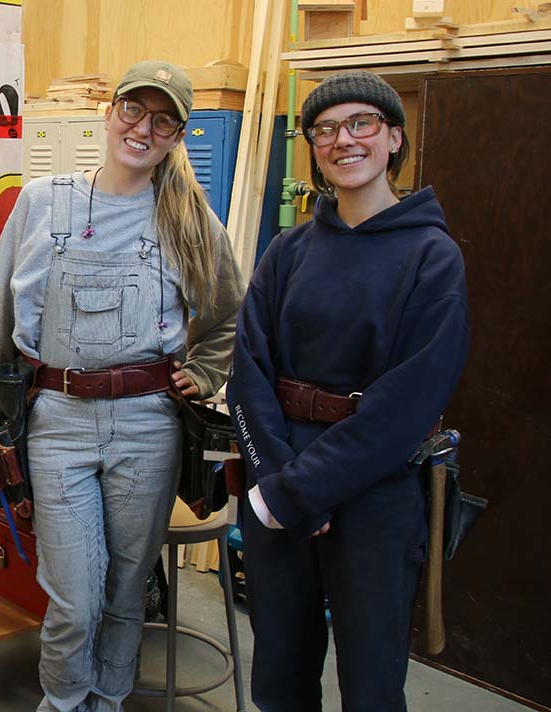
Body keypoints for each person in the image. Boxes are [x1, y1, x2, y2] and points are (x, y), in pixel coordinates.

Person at [0, 60, 243, 712]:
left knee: (128, 592)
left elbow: (231, 318)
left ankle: (107, 700)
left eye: (163, 121)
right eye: (134, 110)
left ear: (177, 135)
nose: (143, 129)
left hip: (150, 426)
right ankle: (65, 703)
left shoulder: (188, 218)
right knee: (76, 596)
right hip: (59, 424)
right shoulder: (45, 202)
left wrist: (209, 370)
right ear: (110, 112)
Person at [226, 71, 470, 711]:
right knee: (279, 674)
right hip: (276, 480)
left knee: (371, 683)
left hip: (374, 488)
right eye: (325, 129)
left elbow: (407, 404)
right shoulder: (289, 250)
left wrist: (305, 490)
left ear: (393, 138)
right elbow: (248, 372)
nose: (343, 140)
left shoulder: (431, 256)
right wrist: (278, 486)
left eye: (361, 123)